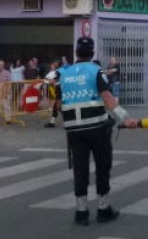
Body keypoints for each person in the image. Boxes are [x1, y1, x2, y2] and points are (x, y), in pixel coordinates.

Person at [59, 36, 138, 225]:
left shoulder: (64, 73)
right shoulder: (96, 71)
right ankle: (103, 209)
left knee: (80, 169)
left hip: (74, 131)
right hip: (97, 128)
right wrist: (125, 119)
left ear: (76, 52)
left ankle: (81, 212)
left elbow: (60, 101)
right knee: (103, 166)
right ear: (92, 53)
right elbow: (107, 97)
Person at [43, 59, 63, 128]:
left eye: (55, 63)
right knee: (58, 106)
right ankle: (52, 122)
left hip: (59, 88)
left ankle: (66, 122)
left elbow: (54, 81)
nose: (54, 64)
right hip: (59, 88)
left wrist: (45, 81)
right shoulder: (60, 70)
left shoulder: (59, 71)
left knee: (59, 106)